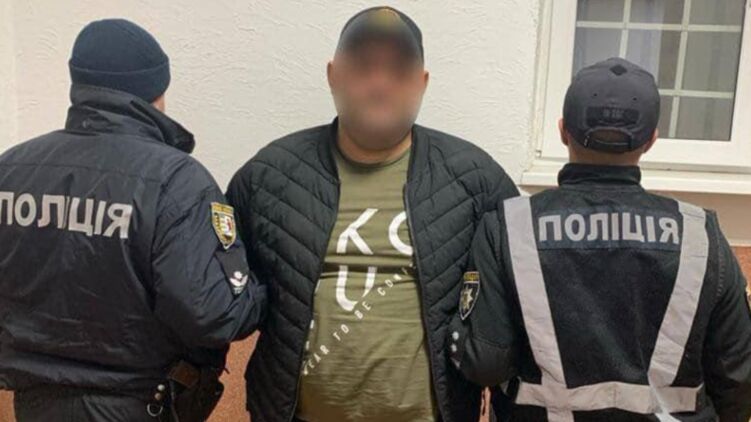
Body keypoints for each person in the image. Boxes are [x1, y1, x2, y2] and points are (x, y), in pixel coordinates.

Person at [226, 6, 519, 422]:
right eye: (363, 68)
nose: (380, 85)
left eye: (399, 72)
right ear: (333, 76)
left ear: (422, 83)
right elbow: (222, 292)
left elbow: (520, 299)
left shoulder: (475, 179)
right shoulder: (268, 177)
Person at [447, 57, 751, 421]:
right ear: (651, 141)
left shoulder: (509, 227)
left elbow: (485, 363)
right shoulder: (700, 235)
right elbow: (737, 377)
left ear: (563, 131)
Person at [0, 19, 267, 422]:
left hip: (35, 405)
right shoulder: (175, 181)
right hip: (142, 404)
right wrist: (265, 293)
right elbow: (213, 315)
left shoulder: (11, 170)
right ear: (157, 90)